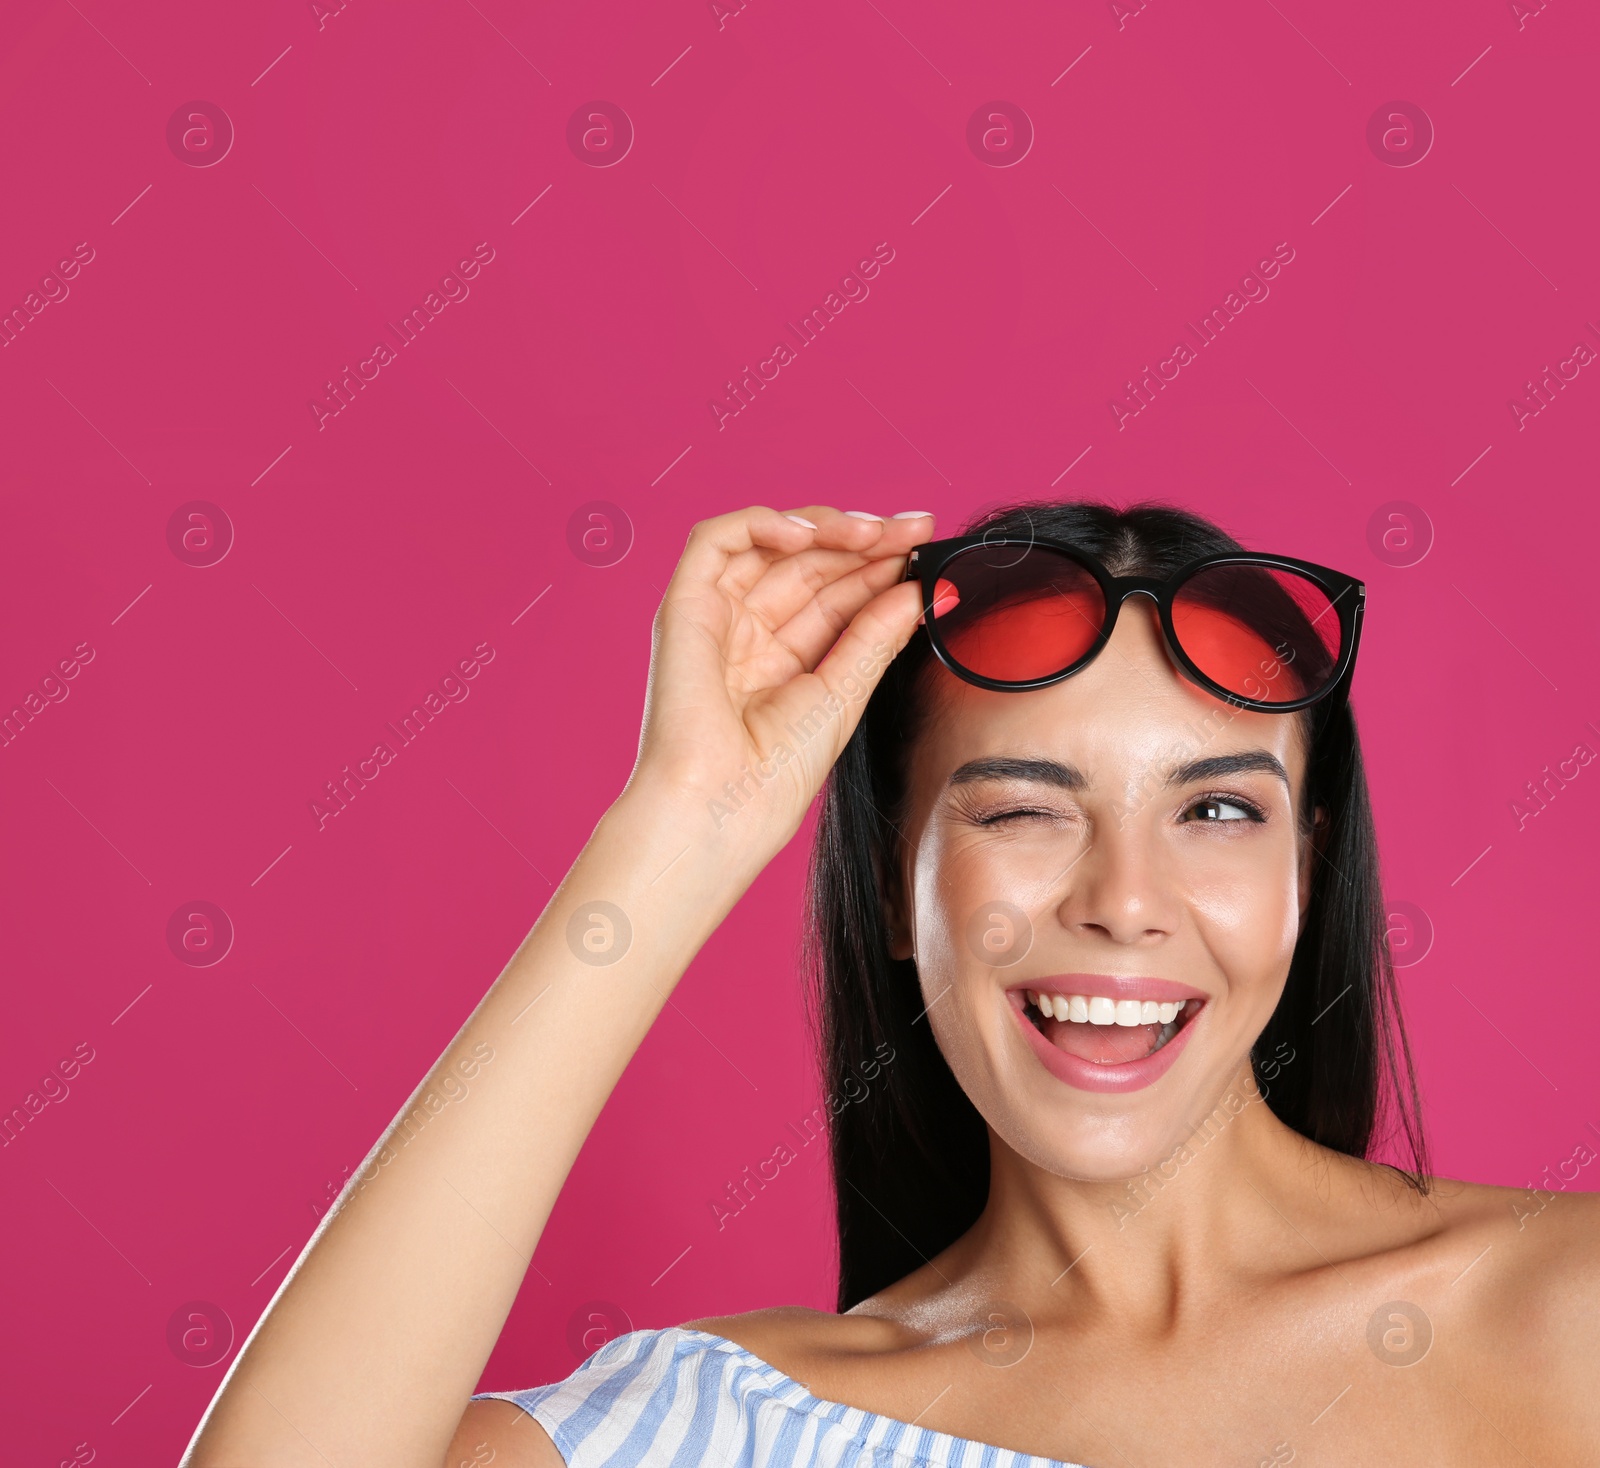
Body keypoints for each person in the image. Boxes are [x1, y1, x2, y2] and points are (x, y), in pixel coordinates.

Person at [181, 501, 1599, 1468]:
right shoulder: (738, 1426)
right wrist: (684, 825)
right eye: (1021, 809)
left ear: (1309, 866)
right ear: (892, 891)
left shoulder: (1564, 1313)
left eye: (1216, 811)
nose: (1121, 903)